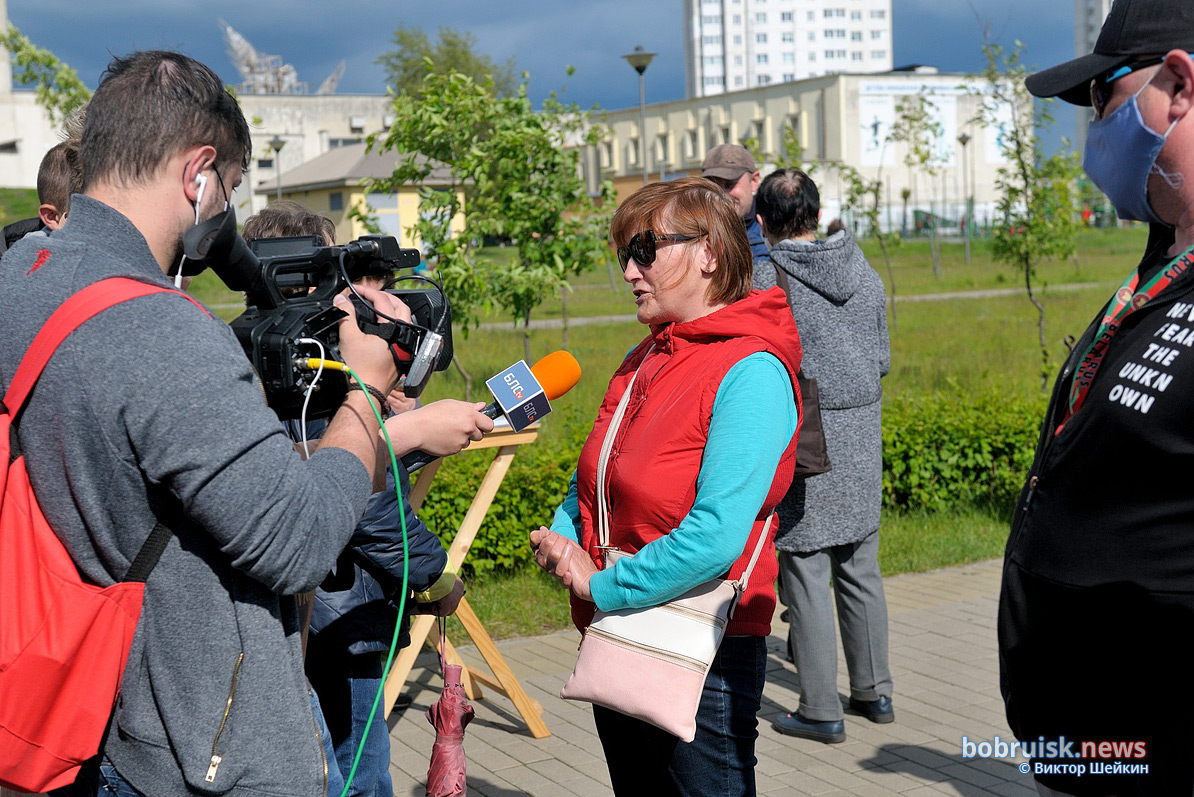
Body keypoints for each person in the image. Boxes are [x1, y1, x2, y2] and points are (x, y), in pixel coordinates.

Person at [0, 50, 492, 797]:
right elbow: (297, 544)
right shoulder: (161, 329)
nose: (225, 209)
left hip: (101, 702)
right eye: (229, 188)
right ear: (198, 174)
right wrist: (365, 392)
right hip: (197, 750)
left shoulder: (26, 272)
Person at [530, 176, 802, 796]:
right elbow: (596, 478)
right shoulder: (647, 356)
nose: (629, 270)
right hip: (622, 627)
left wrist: (601, 582)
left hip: (703, 647)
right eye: (624, 255)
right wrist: (564, 534)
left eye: (645, 251)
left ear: (709, 252)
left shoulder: (751, 371)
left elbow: (714, 538)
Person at [1001, 2, 1194, 794]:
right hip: (1090, 748)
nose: (1092, 128)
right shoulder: (1164, 258)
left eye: (1104, 99)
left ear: (1179, 85)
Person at [242, 201, 464, 797]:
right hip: (338, 619)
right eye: (348, 275)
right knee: (356, 772)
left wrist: (401, 405)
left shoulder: (280, 356)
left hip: (322, 615)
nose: (364, 295)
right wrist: (434, 574)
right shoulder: (307, 374)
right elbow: (361, 501)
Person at [750, 168, 893, 745]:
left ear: (762, 222)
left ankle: (818, 709)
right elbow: (881, 357)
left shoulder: (766, 278)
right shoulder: (863, 268)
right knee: (861, 566)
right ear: (816, 210)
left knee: (805, 570)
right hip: (862, 432)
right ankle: (874, 692)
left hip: (807, 439)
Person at [701, 144, 769, 259]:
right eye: (713, 185)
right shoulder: (695, 231)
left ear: (754, 181)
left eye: (729, 184)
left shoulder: (775, 229)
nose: (721, 194)